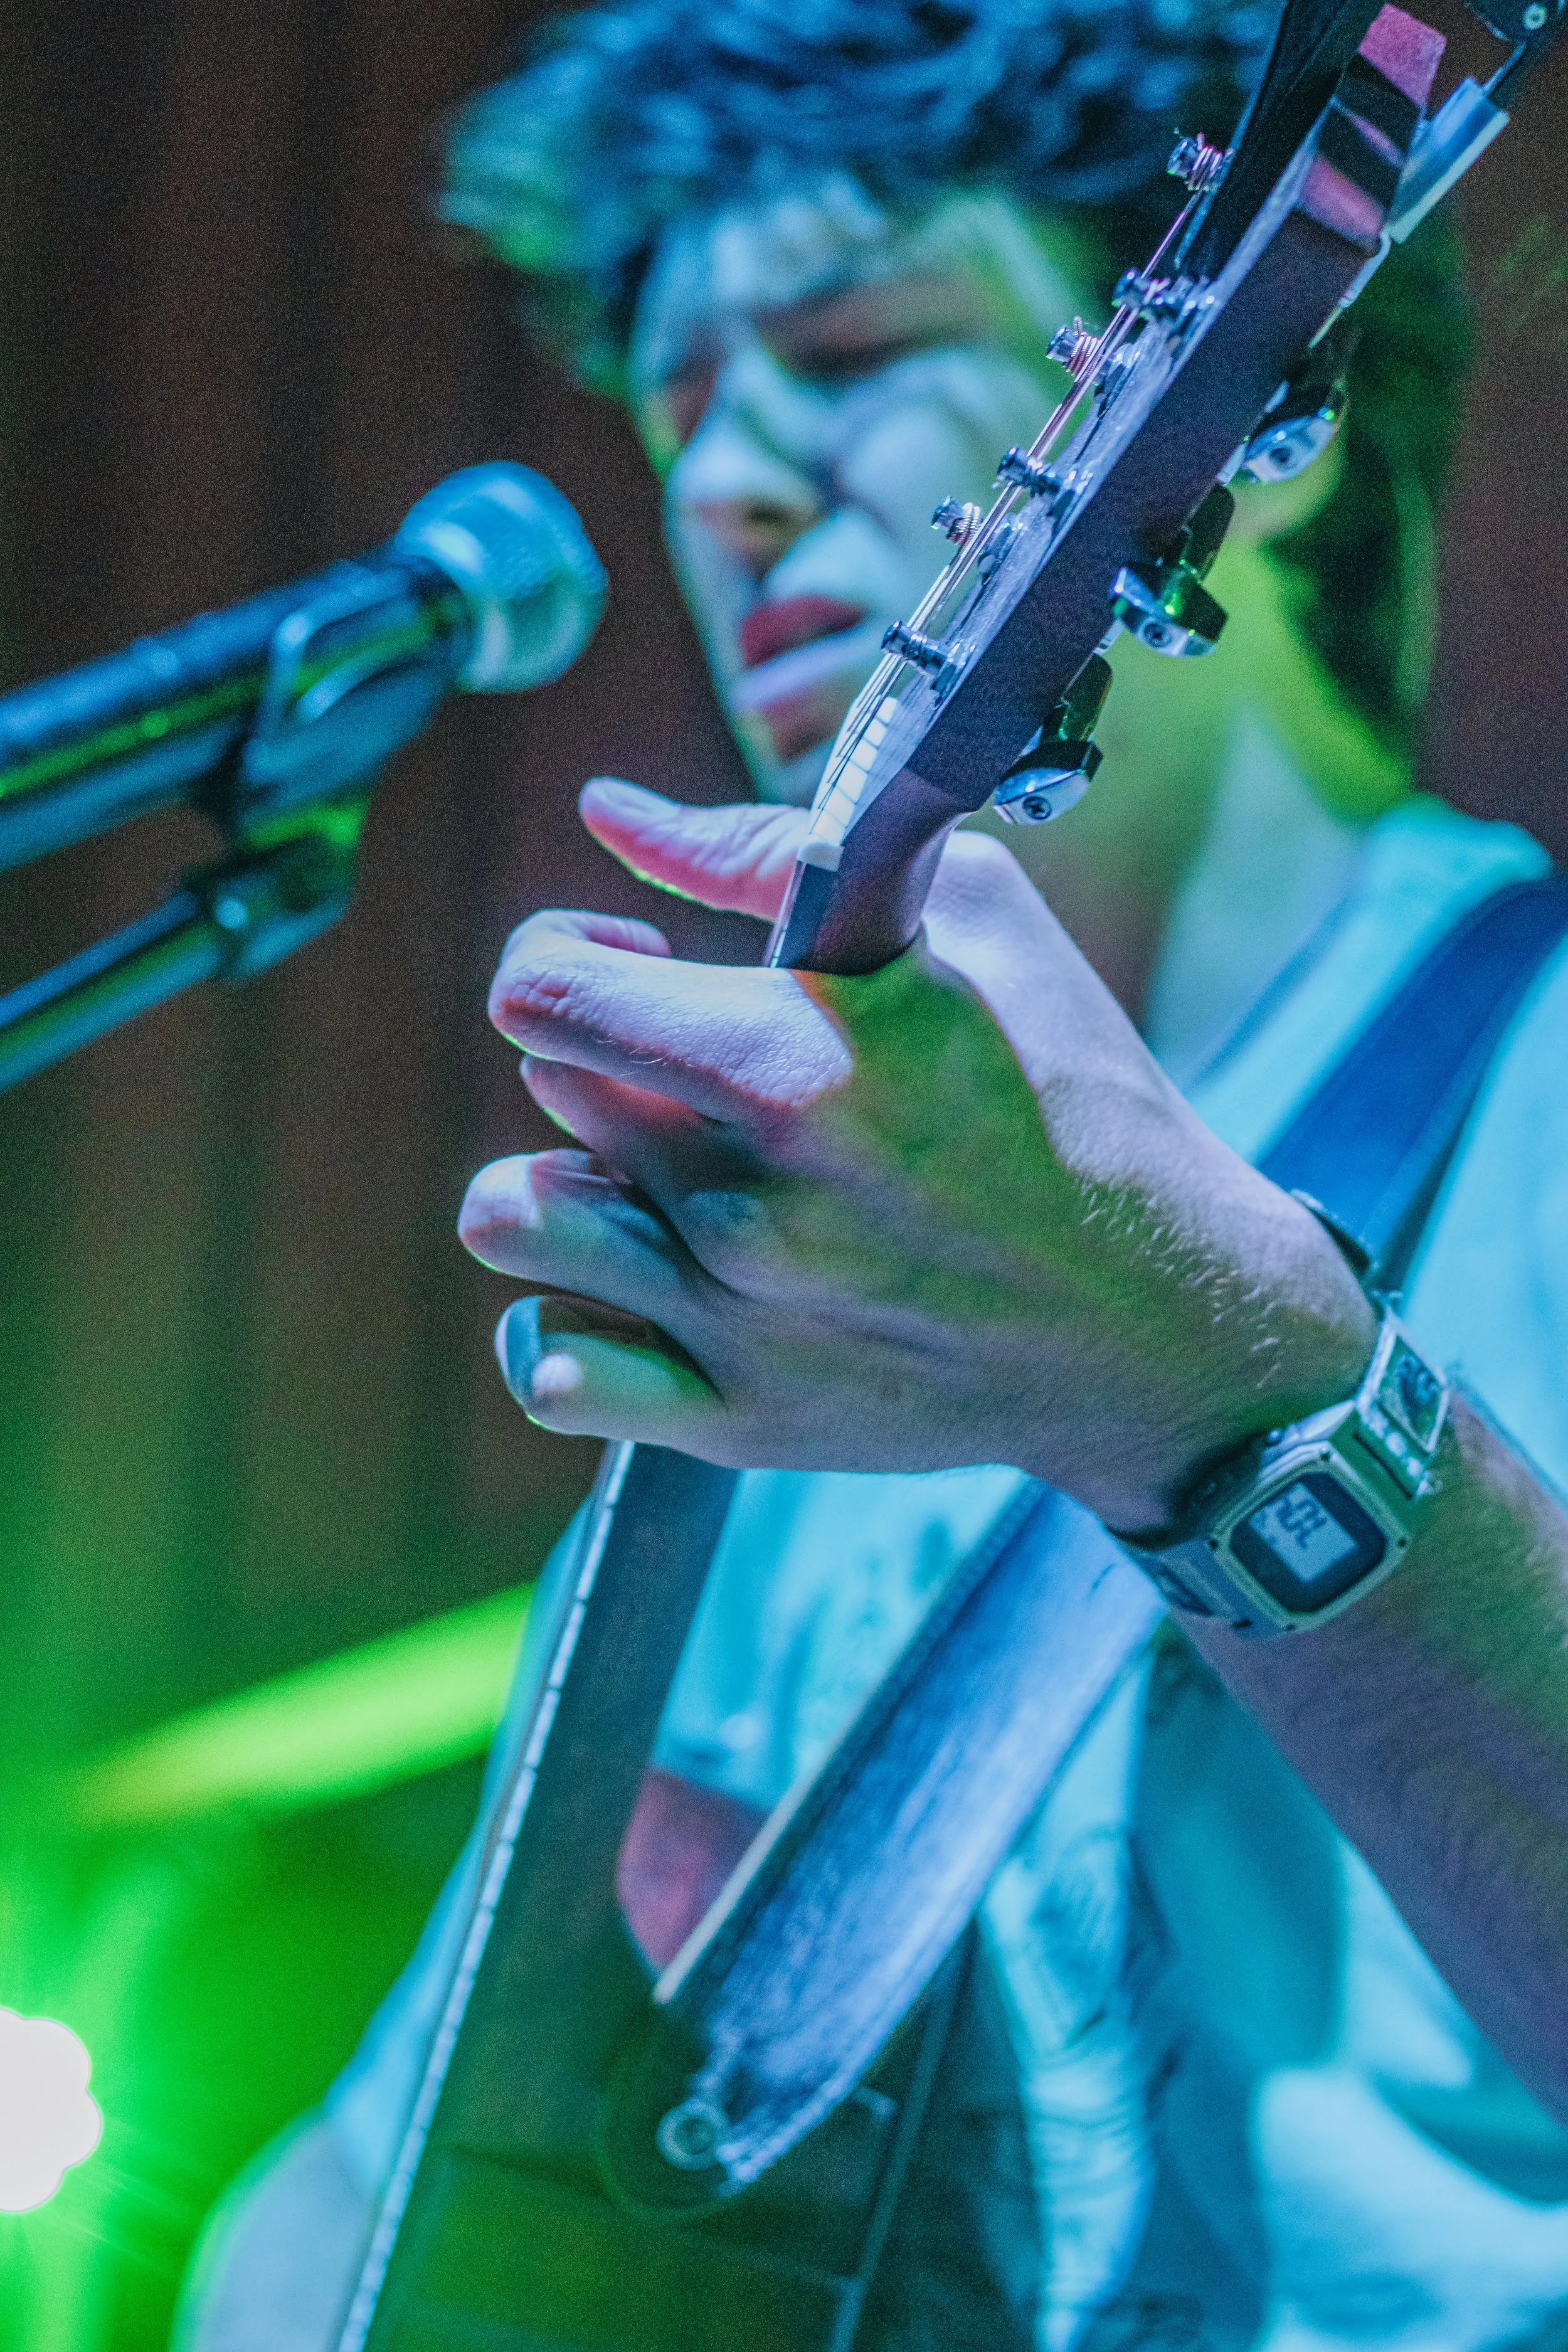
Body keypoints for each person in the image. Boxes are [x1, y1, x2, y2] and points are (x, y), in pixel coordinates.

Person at [179, 1, 1568, 2346]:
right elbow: (348, 2210)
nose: (722, 485)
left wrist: (1226, 1395)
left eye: (845, 343)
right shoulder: (805, 1276)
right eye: (683, 407)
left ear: (1258, 420)